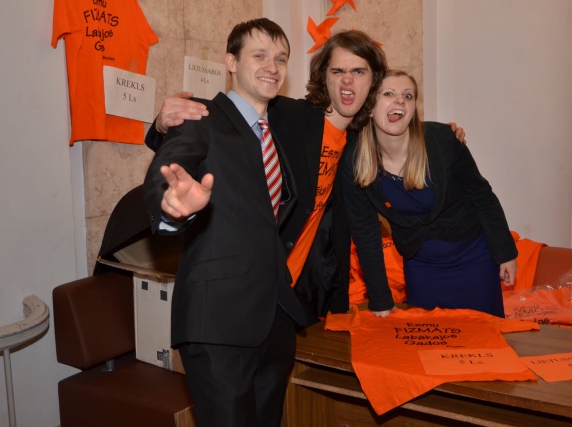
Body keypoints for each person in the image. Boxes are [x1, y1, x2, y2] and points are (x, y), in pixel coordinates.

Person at [146, 30, 390, 322]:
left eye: (359, 71)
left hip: (304, 290)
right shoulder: (287, 115)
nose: (347, 80)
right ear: (324, 76)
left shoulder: (358, 142)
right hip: (247, 284)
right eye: (337, 71)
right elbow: (221, 118)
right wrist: (162, 125)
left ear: (373, 80)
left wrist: (381, 299)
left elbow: (363, 221)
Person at [143, 18, 308, 427]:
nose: (272, 66)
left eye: (281, 58)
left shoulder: (276, 127)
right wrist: (173, 206)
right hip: (217, 321)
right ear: (231, 62)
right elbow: (167, 170)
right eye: (259, 55)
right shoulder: (201, 117)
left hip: (274, 319)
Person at [340, 69, 518, 318]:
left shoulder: (442, 139)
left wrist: (506, 253)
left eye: (408, 96)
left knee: (484, 337)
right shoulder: (355, 160)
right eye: (388, 93)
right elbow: (364, 231)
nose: (400, 100)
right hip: (421, 266)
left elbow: (482, 195)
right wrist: (380, 297)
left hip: (473, 258)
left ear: (413, 109)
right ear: (369, 106)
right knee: (428, 340)